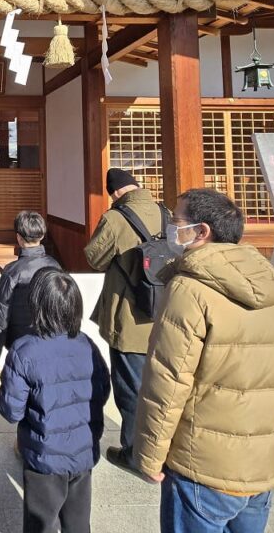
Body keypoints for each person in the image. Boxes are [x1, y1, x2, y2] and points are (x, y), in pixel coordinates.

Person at [133, 188, 274, 533]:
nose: (170, 228)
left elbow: (168, 382)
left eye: (176, 220)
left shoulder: (189, 289)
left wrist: (149, 455)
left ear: (201, 231)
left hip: (201, 464)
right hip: (260, 466)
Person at [0, 267, 110, 533]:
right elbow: (103, 391)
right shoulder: (87, 344)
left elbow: (12, 411)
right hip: (83, 452)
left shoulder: (24, 350)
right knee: (78, 524)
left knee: (41, 524)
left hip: (44, 456)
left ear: (36, 305)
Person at [84, 168, 163, 472]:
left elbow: (94, 258)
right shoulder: (167, 214)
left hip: (130, 317)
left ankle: (134, 452)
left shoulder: (116, 219)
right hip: (166, 314)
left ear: (115, 192)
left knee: (131, 387)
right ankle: (163, 445)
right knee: (162, 385)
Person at [0, 210, 60, 363]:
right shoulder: (55, 266)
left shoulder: (13, 271)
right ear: (42, 235)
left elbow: (0, 313)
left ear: (18, 237)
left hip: (20, 342)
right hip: (50, 338)